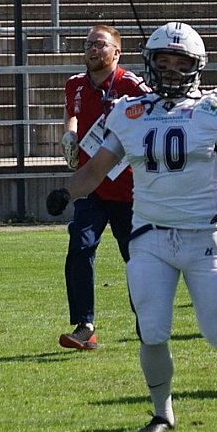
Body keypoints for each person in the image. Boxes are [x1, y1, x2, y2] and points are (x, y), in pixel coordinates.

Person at [46, 21, 217, 432]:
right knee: (152, 328)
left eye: (181, 64)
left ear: (197, 67)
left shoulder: (212, 110)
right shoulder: (131, 112)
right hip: (149, 235)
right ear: (150, 64)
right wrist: (67, 192)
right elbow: (96, 170)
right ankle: (162, 413)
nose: (171, 71)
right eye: (163, 63)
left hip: (202, 234)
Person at [58, 25, 148, 351]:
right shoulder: (75, 85)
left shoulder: (133, 85)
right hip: (91, 184)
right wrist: (69, 133)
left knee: (136, 257)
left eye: (100, 44)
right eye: (88, 45)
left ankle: (146, 318)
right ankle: (85, 326)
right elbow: (72, 112)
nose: (93, 49)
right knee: (79, 248)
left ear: (117, 52)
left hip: (129, 189)